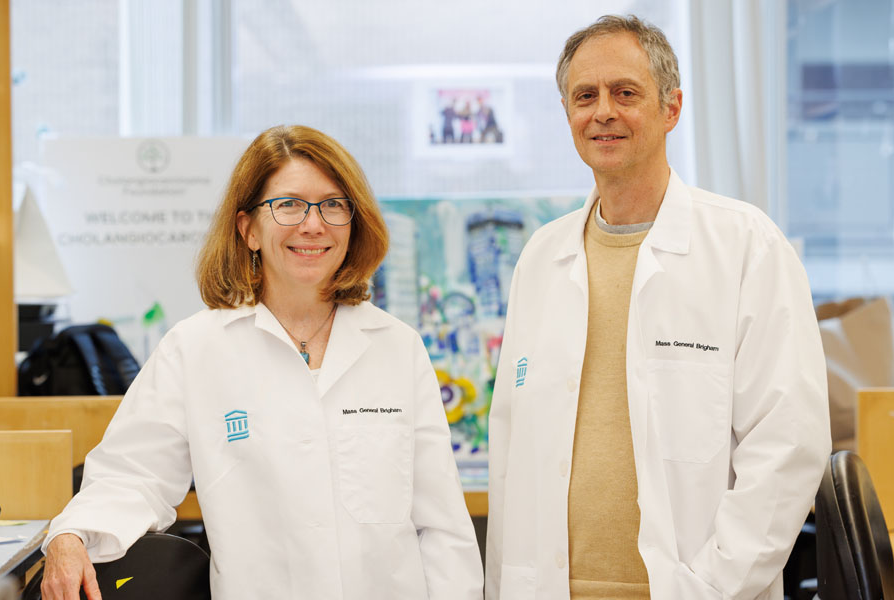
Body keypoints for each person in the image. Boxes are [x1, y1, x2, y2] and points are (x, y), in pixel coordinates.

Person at [41, 125, 484, 600]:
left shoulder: (397, 346)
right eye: (288, 204)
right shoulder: (196, 349)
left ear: (354, 224)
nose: (313, 224)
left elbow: (440, 526)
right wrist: (70, 536)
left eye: (333, 204)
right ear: (247, 228)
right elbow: (132, 476)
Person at [485, 15, 830, 600]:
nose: (603, 113)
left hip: (694, 588)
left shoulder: (746, 245)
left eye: (625, 93)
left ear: (671, 108)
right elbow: (510, 447)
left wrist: (711, 585)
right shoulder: (542, 258)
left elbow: (787, 444)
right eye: (584, 96)